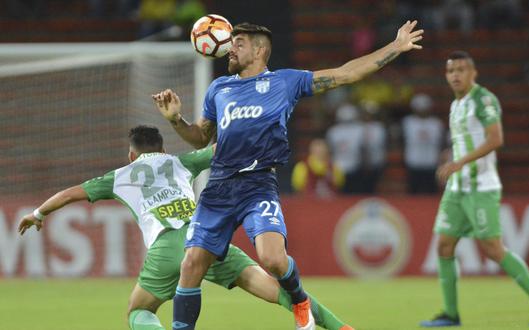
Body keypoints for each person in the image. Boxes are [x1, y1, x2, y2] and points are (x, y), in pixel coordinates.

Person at [153, 20, 423, 330]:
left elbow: (345, 74)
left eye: (238, 42)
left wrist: (395, 47)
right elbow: (202, 137)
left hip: (258, 186)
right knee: (191, 265)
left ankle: (299, 300)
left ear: (260, 50)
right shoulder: (219, 89)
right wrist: (175, 121)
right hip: (219, 187)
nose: (229, 47)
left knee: (273, 260)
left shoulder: (285, 82)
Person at [18, 125, 353, 330]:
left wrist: (38, 213)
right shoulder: (180, 161)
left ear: (131, 154)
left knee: (139, 311)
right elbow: (221, 150)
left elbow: (69, 194)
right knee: (281, 292)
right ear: (162, 149)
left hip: (166, 249)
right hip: (205, 238)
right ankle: (340, 327)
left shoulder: (119, 176)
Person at [420, 51, 529, 327]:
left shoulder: (483, 99)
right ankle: (451, 314)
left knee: (493, 248)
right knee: (444, 246)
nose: (455, 75)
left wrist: (458, 162)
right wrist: (453, 163)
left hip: (481, 187)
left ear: (473, 73)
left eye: (461, 69)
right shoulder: (456, 105)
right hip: (457, 188)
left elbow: (496, 139)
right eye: (450, 71)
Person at [401, 93, 444, 194]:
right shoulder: (407, 122)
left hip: (431, 163)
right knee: (413, 192)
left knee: (431, 192)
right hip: (413, 162)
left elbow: (441, 143)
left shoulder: (436, 123)